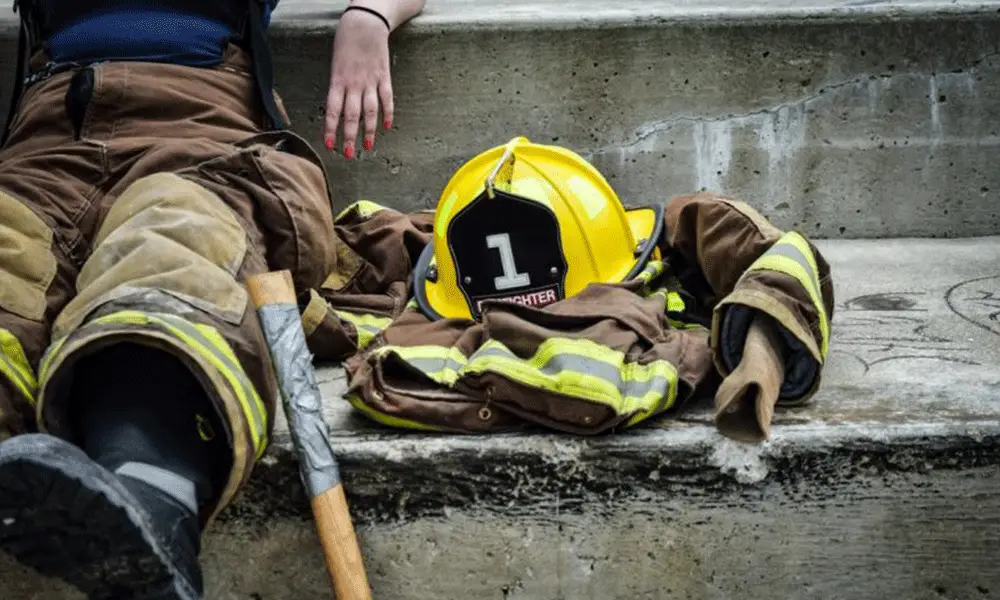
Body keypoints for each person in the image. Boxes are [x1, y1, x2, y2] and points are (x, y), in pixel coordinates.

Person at [0, 1, 424, 599]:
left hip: (206, 129)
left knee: (175, 245)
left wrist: (369, 15)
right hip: (47, 139)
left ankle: (150, 507)